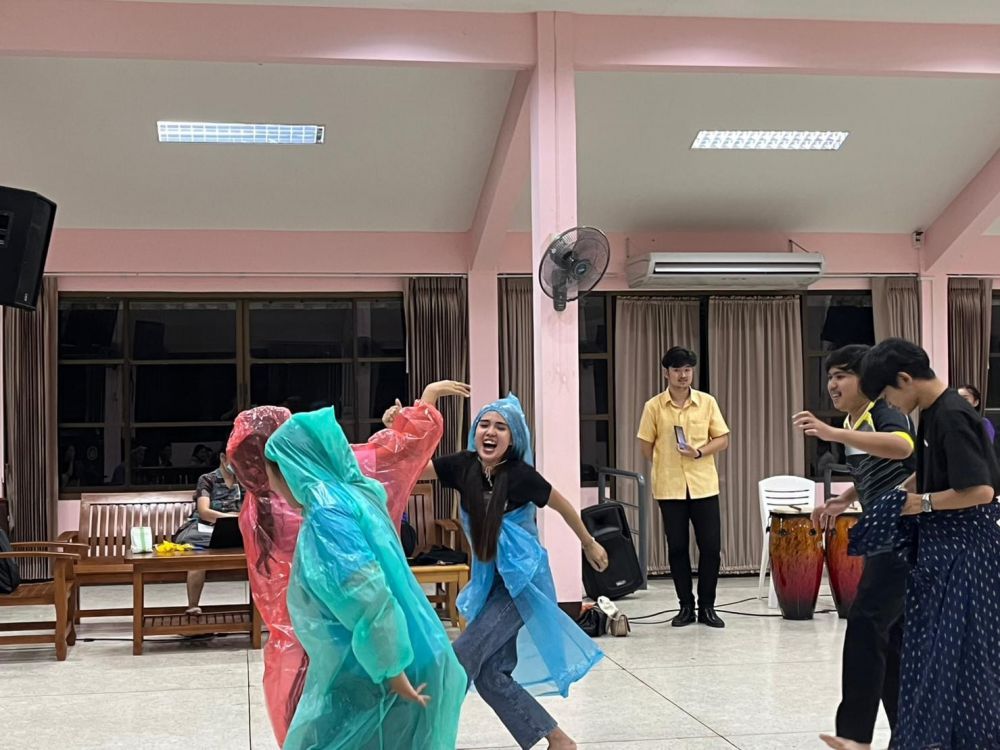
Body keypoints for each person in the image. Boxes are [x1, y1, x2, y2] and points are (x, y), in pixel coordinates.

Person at [227, 380, 468, 747]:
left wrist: (390, 669)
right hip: (372, 649)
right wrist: (423, 407)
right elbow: (393, 451)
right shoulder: (354, 490)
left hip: (366, 656)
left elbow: (367, 595)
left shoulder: (320, 509)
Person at [821, 338, 1000, 750]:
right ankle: (913, 738)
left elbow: (981, 491)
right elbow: (926, 471)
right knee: (916, 645)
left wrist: (923, 503)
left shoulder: (952, 415)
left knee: (962, 656)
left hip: (966, 551)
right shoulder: (934, 412)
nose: (889, 404)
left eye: (886, 394)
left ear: (904, 379)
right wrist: (899, 495)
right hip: (939, 546)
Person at [423, 393, 608, 750]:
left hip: (522, 583)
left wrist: (589, 543)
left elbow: (562, 505)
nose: (490, 432)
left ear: (513, 439)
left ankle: (424, 738)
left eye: (501, 427)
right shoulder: (463, 467)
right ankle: (560, 741)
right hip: (490, 582)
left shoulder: (520, 475)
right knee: (492, 676)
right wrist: (406, 425)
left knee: (460, 658)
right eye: (484, 424)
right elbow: (412, 468)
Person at [791, 345, 914, 748]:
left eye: (842, 375)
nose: (833, 384)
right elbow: (875, 470)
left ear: (867, 380)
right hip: (884, 532)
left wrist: (832, 434)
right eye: (830, 376)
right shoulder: (853, 420)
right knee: (891, 640)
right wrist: (843, 500)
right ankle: (912, 735)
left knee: (866, 621)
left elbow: (902, 447)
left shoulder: (883, 411)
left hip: (904, 534)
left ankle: (855, 736)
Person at [637, 346, 730, 628]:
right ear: (666, 373)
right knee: (677, 548)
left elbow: (722, 439)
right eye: (677, 370)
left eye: (688, 370)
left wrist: (698, 452)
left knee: (710, 548)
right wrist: (667, 462)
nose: (683, 375)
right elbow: (646, 446)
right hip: (669, 487)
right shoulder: (654, 406)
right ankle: (685, 607)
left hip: (703, 486)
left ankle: (708, 607)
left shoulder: (707, 402)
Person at [173, 451, 243, 614]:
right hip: (203, 529)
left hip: (230, 529)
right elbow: (204, 512)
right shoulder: (207, 479)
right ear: (223, 458)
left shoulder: (242, 482)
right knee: (199, 557)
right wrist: (231, 516)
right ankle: (193, 606)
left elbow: (249, 510)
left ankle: (260, 612)